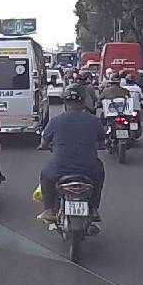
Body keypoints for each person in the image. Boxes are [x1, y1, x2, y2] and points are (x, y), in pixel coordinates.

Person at [37, 84, 106, 224]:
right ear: (84, 101)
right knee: (100, 172)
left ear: (65, 102)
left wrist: (46, 146)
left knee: (45, 174)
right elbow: (101, 142)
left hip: (59, 169)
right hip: (89, 169)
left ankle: (49, 210)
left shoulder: (56, 120)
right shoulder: (94, 121)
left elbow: (44, 143)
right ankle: (93, 209)